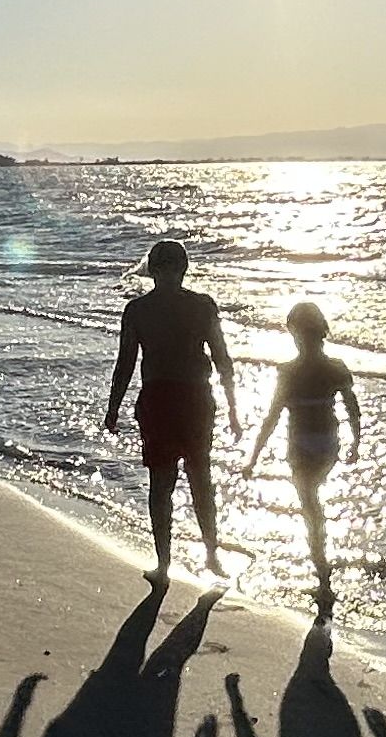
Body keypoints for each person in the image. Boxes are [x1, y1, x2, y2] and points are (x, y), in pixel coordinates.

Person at [102, 238, 235, 575]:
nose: (168, 275)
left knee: (170, 482)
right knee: (193, 478)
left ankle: (169, 562)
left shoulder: (138, 310)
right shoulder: (202, 306)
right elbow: (221, 359)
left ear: (154, 270)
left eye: (166, 269)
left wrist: (113, 407)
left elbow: (126, 364)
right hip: (190, 400)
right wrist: (233, 407)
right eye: (168, 269)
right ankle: (205, 556)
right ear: (180, 269)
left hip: (166, 400)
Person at [243, 301, 366, 605]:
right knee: (313, 503)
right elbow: (352, 407)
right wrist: (356, 442)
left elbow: (272, 417)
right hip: (328, 444)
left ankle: (323, 574)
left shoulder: (289, 371)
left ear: (296, 334)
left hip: (301, 445)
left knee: (310, 506)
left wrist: (253, 458)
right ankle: (322, 570)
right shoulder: (335, 367)